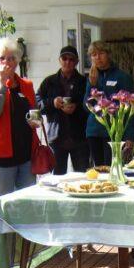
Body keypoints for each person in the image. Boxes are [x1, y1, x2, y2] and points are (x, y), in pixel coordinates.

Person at [0, 36, 39, 195]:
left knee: (27, 201)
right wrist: (1, 84)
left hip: (26, 152)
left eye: (11, 58)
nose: (6, 62)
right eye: (2, 58)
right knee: (4, 202)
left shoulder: (26, 85)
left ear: (17, 61)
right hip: (1, 155)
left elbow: (33, 111)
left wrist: (36, 120)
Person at [83, 41, 134, 167]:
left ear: (108, 54)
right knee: (99, 170)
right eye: (94, 55)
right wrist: (93, 84)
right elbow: (86, 106)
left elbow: (130, 109)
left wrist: (130, 136)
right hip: (94, 131)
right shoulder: (92, 77)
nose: (98, 57)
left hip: (114, 132)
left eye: (101, 53)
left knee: (113, 168)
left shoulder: (122, 77)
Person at [38, 45, 89, 174]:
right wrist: (52, 103)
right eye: (64, 58)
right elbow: (36, 103)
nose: (67, 62)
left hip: (80, 137)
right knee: (57, 179)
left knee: (81, 176)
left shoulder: (84, 82)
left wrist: (76, 108)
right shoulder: (49, 82)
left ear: (76, 62)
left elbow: (91, 105)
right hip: (57, 138)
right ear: (59, 60)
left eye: (71, 59)